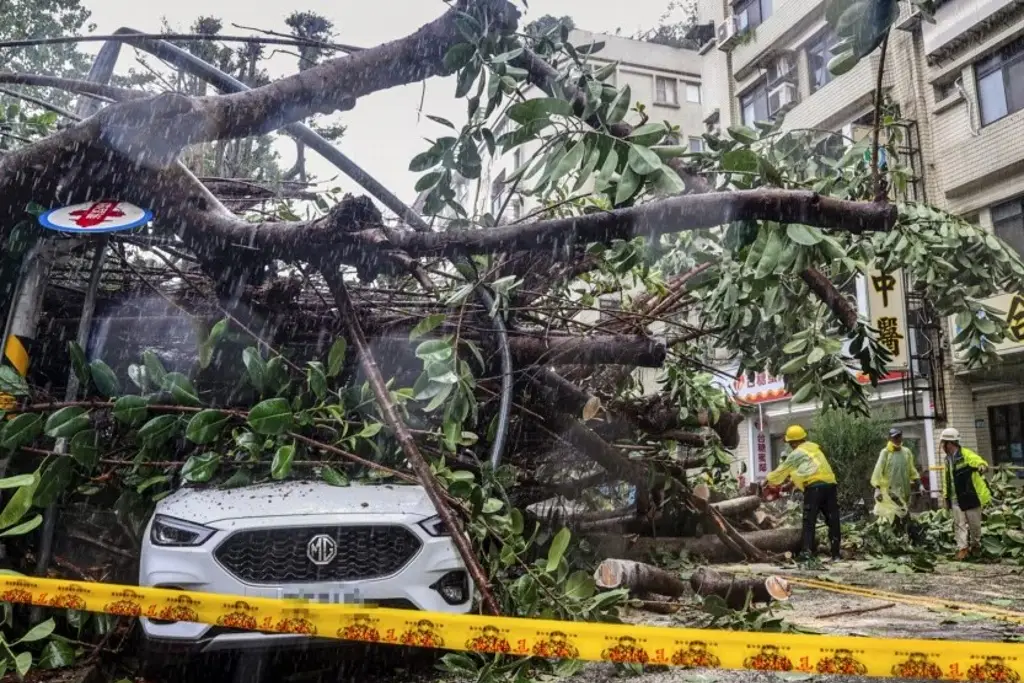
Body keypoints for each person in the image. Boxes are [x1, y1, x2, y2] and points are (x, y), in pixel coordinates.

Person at [765, 425, 841, 561]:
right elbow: (808, 471)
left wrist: (766, 481)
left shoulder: (797, 453)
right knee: (833, 520)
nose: (790, 446)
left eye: (790, 443)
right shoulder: (815, 449)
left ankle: (807, 553)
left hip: (815, 489)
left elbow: (781, 471)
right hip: (830, 486)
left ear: (793, 442)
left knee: (809, 521)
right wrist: (789, 485)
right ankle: (836, 554)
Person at [939, 428, 991, 561]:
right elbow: (947, 479)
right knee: (959, 524)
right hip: (956, 497)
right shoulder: (947, 460)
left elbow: (979, 461)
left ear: (950, 443)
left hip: (971, 495)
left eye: (943, 443)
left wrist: (982, 466)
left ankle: (976, 546)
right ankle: (962, 549)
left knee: (975, 525)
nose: (942, 446)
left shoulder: (966, 455)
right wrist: (946, 496)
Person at [871, 427, 922, 540]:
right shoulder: (885, 453)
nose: (897, 439)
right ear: (890, 438)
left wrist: (919, 483)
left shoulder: (906, 452)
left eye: (899, 436)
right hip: (889, 494)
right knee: (891, 517)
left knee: (903, 515)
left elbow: (912, 470)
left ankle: (902, 540)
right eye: (894, 437)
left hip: (904, 492)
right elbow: (878, 471)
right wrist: (877, 488)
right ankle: (891, 539)